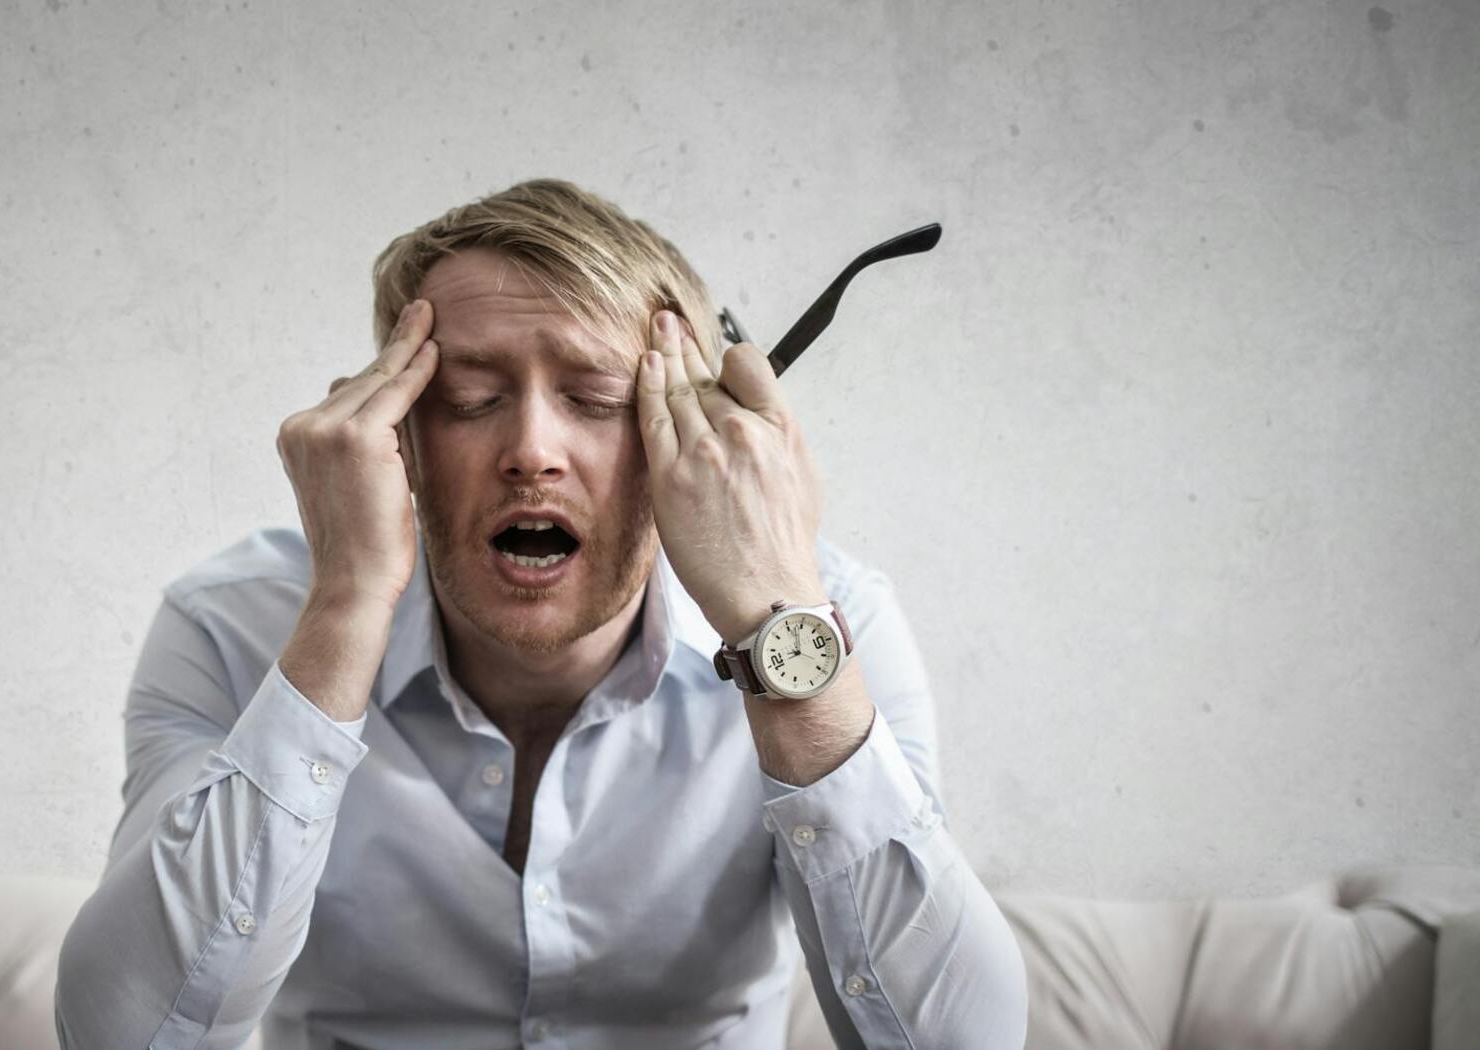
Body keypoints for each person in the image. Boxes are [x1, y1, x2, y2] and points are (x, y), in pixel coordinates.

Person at [54, 179, 1027, 1050]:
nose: (531, 450)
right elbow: (123, 1035)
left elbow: (961, 1040)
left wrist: (776, 620)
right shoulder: (229, 627)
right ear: (396, 434)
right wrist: (345, 605)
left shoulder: (836, 627)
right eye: (471, 398)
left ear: (696, 437)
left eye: (596, 398)